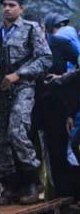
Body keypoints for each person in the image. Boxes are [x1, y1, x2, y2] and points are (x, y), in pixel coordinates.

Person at [0, 0, 52, 204]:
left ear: (21, 8)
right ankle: (10, 184)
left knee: (17, 130)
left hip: (23, 86)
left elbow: (45, 59)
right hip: (0, 88)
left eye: (12, 5)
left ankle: (32, 181)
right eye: (5, 5)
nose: (7, 9)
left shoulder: (30, 29)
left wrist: (19, 74)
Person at [37, 12, 80, 198]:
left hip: (62, 103)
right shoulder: (30, 47)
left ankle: (69, 192)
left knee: (65, 148)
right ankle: (60, 193)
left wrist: (62, 78)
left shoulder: (60, 43)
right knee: (51, 151)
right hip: (39, 103)